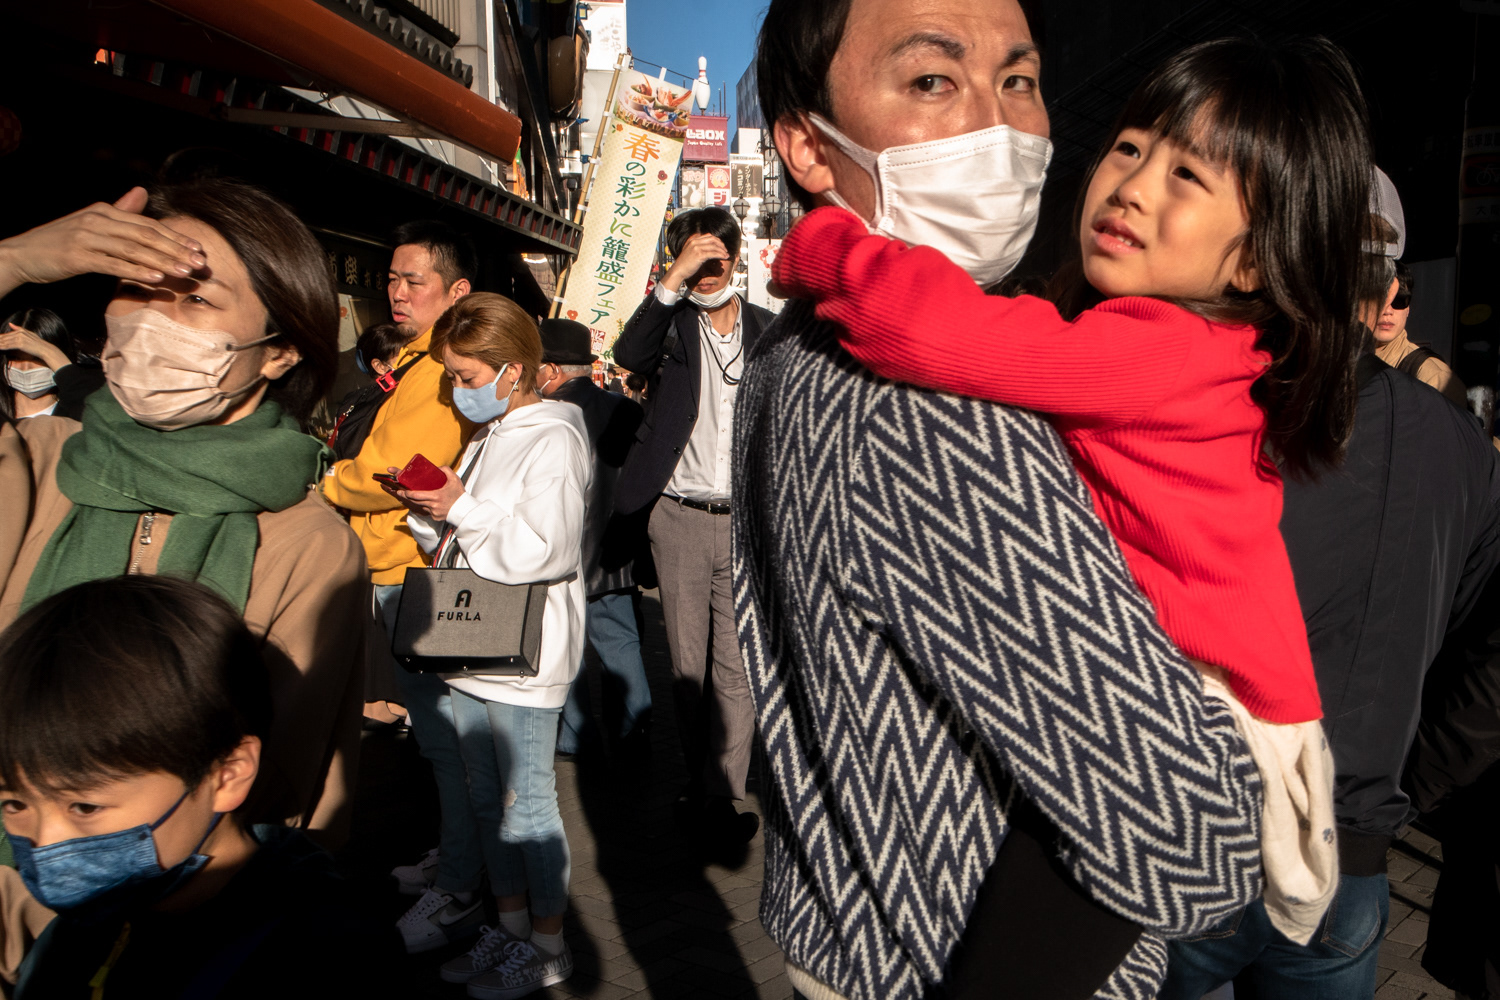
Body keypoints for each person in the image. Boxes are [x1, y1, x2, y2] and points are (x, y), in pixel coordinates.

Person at [774, 34, 1389, 947]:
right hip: (1238, 699)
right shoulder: (1183, 346)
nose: (1136, 184)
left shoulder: (1159, 350)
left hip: (1202, 713)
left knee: (1062, 908)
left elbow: (931, 334)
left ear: (1256, 263)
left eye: (1191, 177)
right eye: (1134, 147)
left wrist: (824, 243)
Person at [1160, 182, 1500, 999]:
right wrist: (1395, 794)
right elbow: (1487, 674)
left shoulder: (1201, 411)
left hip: (1189, 850)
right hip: (1349, 863)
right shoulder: (1459, 444)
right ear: (1385, 292)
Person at [0, 180, 367, 846]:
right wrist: (13, 262)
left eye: (195, 297)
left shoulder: (310, 545)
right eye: (137, 286)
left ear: (280, 351)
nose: (151, 318)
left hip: (148, 927)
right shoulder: (33, 462)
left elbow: (283, 792)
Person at [0, 575, 399, 998]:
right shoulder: (81, 927)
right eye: (13, 802)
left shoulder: (326, 957)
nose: (43, 843)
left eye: (83, 807)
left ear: (227, 774)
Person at [384, 293, 588, 997]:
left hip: (524, 655)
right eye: (454, 377)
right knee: (483, 795)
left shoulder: (554, 437)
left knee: (524, 803)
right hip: (471, 644)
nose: (459, 391)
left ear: (514, 370)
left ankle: (550, 945)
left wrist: (459, 507)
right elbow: (468, 538)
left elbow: (545, 550)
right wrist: (431, 511)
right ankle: (506, 932)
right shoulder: (489, 436)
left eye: (468, 377)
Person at [319, 221, 476, 894]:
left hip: (411, 568)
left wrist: (326, 485)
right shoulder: (416, 359)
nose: (398, 292)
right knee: (436, 734)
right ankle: (456, 858)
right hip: (394, 562)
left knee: (443, 738)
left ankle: (461, 874)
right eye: (392, 279)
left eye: (415, 280)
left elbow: (396, 469)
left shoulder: (442, 367)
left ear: (457, 291)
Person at [612, 206, 775, 844]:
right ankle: (697, 775)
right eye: (695, 263)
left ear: (736, 258)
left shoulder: (768, 331)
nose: (709, 275)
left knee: (736, 667)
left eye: (716, 261)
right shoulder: (673, 325)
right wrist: (672, 277)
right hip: (677, 517)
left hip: (743, 524)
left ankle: (722, 794)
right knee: (687, 664)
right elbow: (629, 353)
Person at [536, 318, 652, 759]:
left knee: (566, 649)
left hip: (562, 550)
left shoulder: (545, 414)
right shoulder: (625, 408)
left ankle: (575, 735)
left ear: (551, 369)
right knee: (621, 642)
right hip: (615, 551)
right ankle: (635, 727)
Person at [1373, 262, 1468, 408]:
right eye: (1379, 299)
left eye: (1399, 300)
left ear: (1408, 309)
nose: (1388, 310)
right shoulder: (1341, 361)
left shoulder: (1433, 377)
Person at [0, 310, 102, 421]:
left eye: (38, 358)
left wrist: (47, 352)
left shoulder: (79, 410)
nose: (26, 368)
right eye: (15, 358)